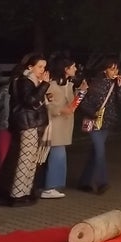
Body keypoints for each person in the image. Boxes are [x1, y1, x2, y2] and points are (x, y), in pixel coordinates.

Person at [76, 57, 121, 195]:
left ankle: (85, 182)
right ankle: (101, 182)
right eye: (112, 68)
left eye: (116, 68)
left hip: (107, 122)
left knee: (95, 152)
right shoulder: (95, 83)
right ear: (105, 69)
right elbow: (83, 102)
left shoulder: (116, 84)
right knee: (100, 151)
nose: (115, 71)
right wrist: (92, 113)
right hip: (94, 122)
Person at [5, 54, 51, 206]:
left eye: (44, 67)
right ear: (29, 67)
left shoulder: (31, 81)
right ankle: (17, 194)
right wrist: (44, 85)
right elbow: (30, 101)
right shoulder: (25, 81)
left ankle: (26, 191)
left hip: (33, 123)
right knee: (25, 159)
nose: (42, 70)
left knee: (31, 159)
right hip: (27, 124)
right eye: (39, 67)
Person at [41, 55, 87, 199]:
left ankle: (51, 185)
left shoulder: (68, 85)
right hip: (54, 126)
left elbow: (72, 105)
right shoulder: (52, 85)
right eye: (72, 67)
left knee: (58, 155)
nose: (75, 69)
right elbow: (50, 105)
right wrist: (60, 110)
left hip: (65, 125)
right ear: (65, 69)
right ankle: (50, 187)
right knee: (57, 155)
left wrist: (81, 92)